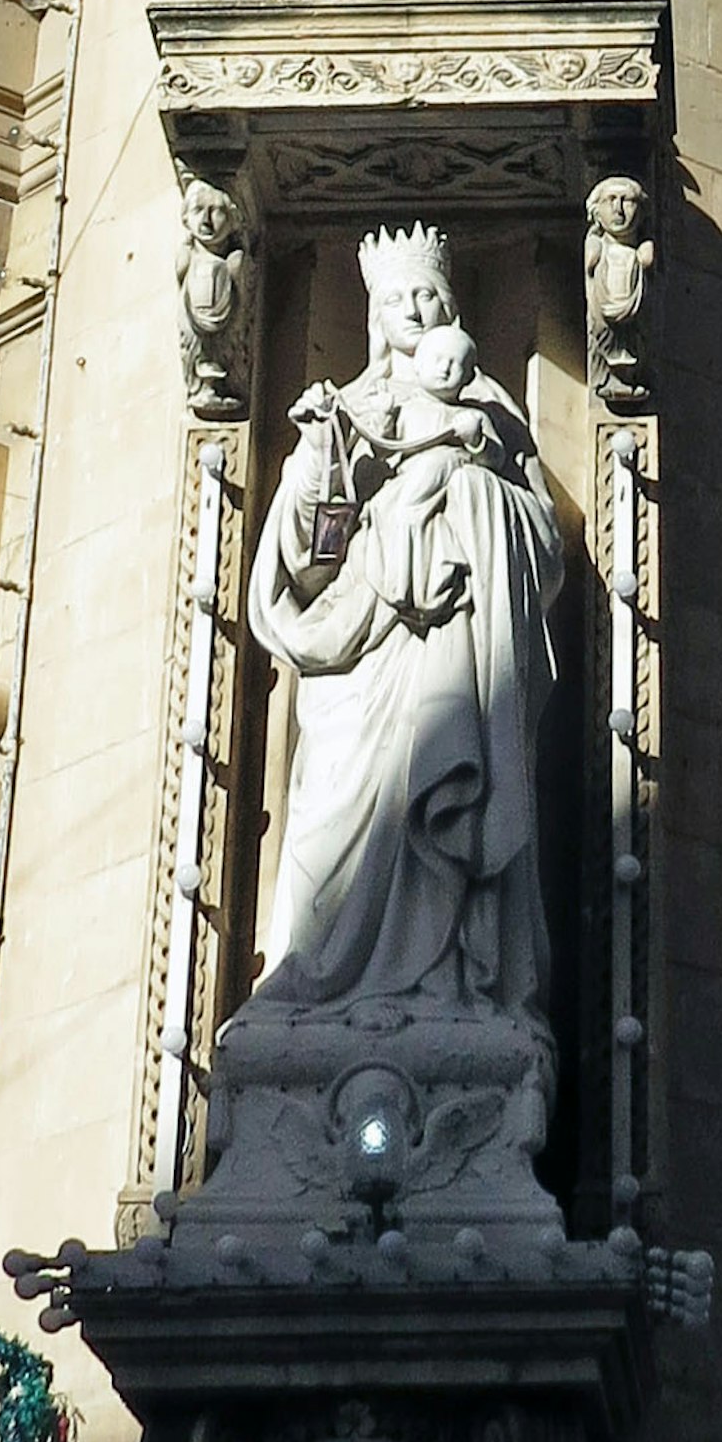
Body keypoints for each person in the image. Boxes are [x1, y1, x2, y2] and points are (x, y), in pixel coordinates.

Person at [244, 225, 564, 1017]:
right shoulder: (345, 413)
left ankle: (455, 983)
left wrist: (472, 498)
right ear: (373, 318)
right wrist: (323, 465)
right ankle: (312, 975)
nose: (416, 310)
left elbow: (545, 548)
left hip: (452, 645)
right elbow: (314, 562)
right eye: (398, 298)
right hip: (359, 656)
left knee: (445, 806)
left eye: (429, 296)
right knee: (328, 820)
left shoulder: (492, 415)